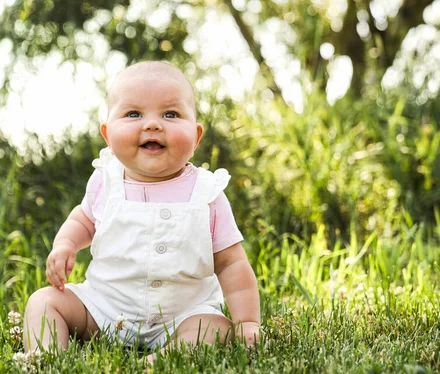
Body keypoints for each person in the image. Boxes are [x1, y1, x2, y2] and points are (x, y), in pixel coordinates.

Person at [23, 61, 261, 358]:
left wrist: (247, 321)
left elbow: (231, 265)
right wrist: (66, 244)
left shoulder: (207, 194)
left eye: (170, 114)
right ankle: (45, 360)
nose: (152, 124)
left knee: (215, 329)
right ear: (108, 135)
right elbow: (83, 219)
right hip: (106, 309)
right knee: (44, 302)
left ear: (196, 137)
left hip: (182, 317)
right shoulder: (105, 181)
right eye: (133, 114)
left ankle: (160, 361)